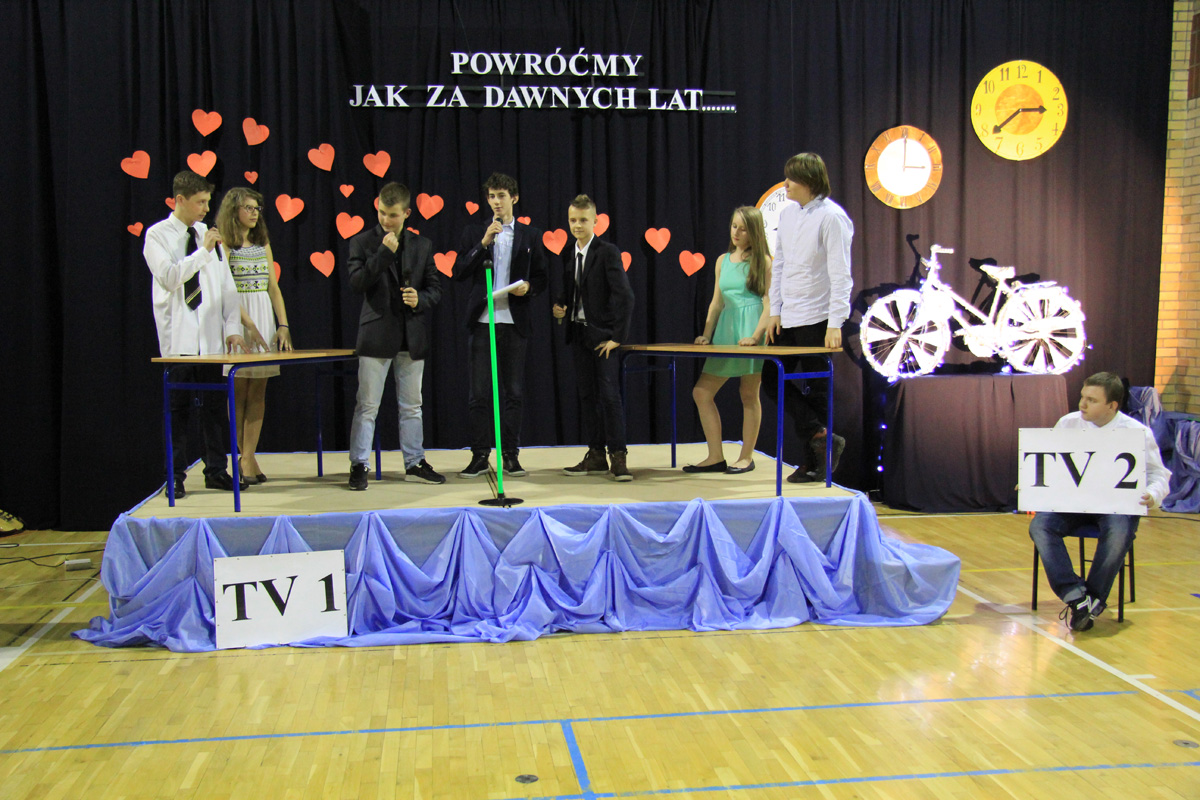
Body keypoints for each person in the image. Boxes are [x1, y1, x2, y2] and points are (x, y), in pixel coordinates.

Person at [1029, 372, 1171, 632]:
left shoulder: (1137, 432)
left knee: (1118, 533)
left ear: (1111, 406)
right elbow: (1050, 463)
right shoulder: (1068, 423)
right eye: (1082, 397)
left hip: (1115, 506)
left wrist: (1152, 495)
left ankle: (1090, 601)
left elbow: (1158, 474)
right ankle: (1075, 595)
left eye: (1092, 400)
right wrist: (1032, 481)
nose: (1082, 404)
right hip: (1072, 504)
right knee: (1040, 526)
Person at [144, 170, 249, 497]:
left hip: (211, 340)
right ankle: (174, 476)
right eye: (200, 202)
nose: (206, 209)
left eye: (207, 201)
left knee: (215, 409)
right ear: (180, 200)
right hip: (179, 341)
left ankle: (216, 470)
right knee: (177, 410)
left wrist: (232, 328)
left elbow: (227, 286)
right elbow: (170, 277)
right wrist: (201, 252)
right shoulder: (157, 235)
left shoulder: (209, 234)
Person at [346, 182, 445, 490]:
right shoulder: (362, 242)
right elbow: (357, 283)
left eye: (392, 215)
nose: (386, 220)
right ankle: (359, 464)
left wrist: (420, 298)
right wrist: (383, 253)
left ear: (407, 213)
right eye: (381, 213)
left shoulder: (422, 245)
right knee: (367, 405)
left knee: (412, 406)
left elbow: (435, 288)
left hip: (411, 336)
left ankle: (414, 462)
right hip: (376, 334)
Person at [764, 152, 854, 483]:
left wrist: (835, 322)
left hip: (818, 316)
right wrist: (775, 310)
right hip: (789, 315)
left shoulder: (832, 217)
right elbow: (780, 265)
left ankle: (816, 464)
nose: (786, 184)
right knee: (771, 378)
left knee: (817, 389)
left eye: (792, 179)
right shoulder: (788, 215)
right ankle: (820, 435)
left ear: (809, 181)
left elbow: (841, 274)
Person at [452, 172, 548, 479]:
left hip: (514, 322)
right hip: (483, 321)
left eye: (501, 196)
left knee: (513, 392)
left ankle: (510, 455)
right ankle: (480, 455)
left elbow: (542, 277)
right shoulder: (475, 232)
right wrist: (483, 243)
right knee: (479, 393)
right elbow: (459, 271)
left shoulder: (530, 236)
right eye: (491, 196)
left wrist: (528, 288)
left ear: (514, 198)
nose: (496, 202)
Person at [552, 195, 636, 481]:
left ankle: (618, 456)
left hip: (603, 338)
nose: (577, 225)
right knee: (587, 397)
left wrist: (617, 337)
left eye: (583, 220)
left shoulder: (607, 252)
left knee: (609, 396)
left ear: (595, 221)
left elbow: (625, 296)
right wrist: (560, 304)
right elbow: (570, 289)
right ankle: (596, 454)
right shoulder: (568, 252)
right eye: (573, 220)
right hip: (579, 334)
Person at [687, 206, 773, 475]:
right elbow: (716, 302)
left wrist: (756, 337)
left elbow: (769, 303)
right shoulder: (722, 260)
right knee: (702, 392)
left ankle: (746, 457)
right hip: (726, 331)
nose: (736, 232)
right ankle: (715, 456)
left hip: (752, 330)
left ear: (754, 232)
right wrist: (706, 334)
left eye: (743, 228)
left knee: (748, 394)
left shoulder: (763, 261)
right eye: (734, 226)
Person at [214, 187, 291, 484]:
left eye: (257, 207)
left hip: (263, 317)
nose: (254, 212)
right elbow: (226, 292)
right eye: (248, 207)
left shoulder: (262, 242)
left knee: (259, 390)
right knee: (239, 388)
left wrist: (283, 325)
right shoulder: (225, 245)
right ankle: (244, 456)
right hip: (238, 320)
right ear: (234, 210)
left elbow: (273, 287)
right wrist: (247, 324)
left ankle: (248, 456)